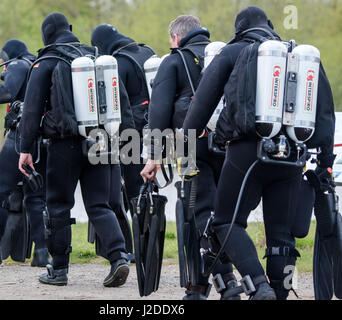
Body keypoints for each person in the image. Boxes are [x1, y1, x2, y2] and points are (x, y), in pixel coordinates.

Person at [182, 6, 335, 300]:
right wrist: (325, 166)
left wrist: (186, 151)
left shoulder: (233, 51)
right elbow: (326, 116)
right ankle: (277, 293)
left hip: (246, 154)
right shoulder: (300, 59)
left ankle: (258, 284)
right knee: (281, 235)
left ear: (239, 29)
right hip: (292, 156)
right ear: (270, 26)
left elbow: (200, 106)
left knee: (226, 223)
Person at [18, 12, 130, 287]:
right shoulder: (95, 57)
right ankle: (119, 257)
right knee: (99, 204)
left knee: (57, 205)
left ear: (47, 33)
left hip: (64, 143)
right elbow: (121, 101)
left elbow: (31, 111)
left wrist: (25, 148)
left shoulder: (46, 61)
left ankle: (59, 270)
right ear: (69, 30)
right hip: (101, 139)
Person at [140, 15, 237, 300]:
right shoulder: (224, 56)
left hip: (193, 149)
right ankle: (198, 286)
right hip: (230, 147)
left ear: (176, 38)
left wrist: (153, 158)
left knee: (200, 214)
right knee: (220, 214)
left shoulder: (173, 61)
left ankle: (225, 282)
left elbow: (157, 114)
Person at [0, 39, 50, 271]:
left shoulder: (18, 64)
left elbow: (6, 92)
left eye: (3, 63)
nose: (4, 68)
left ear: (9, 56)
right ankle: (42, 252)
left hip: (20, 139)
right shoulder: (38, 65)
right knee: (35, 197)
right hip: (43, 139)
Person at [91, 24, 156, 205]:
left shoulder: (118, 62)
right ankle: (152, 228)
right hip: (155, 125)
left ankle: (136, 230)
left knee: (134, 186)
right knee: (150, 178)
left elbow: (114, 103)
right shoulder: (147, 52)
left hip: (132, 131)